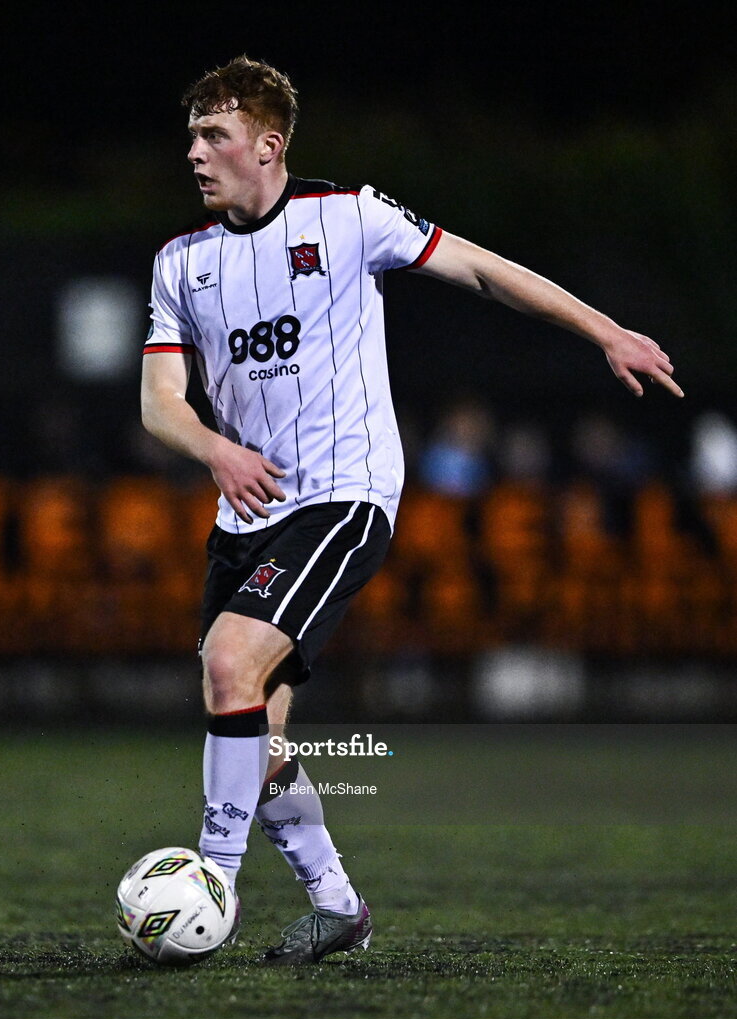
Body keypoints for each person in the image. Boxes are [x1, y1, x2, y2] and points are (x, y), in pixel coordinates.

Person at [140, 55, 683, 965]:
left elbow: (481, 270)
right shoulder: (180, 262)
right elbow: (162, 401)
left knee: (230, 664)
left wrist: (605, 331)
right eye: (192, 134)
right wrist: (215, 447)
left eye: (214, 135)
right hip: (244, 516)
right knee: (256, 733)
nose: (195, 151)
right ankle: (338, 906)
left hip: (342, 496)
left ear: (268, 145)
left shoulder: (349, 215)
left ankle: (211, 881)